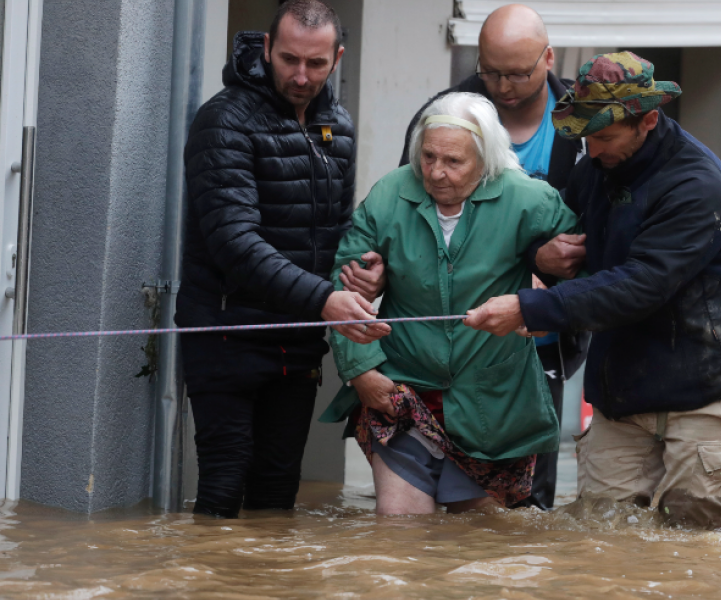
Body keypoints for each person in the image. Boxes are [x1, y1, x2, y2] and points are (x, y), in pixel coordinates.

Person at [465, 52, 721, 530]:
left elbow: (640, 284)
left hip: (705, 391)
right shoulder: (595, 167)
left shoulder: (698, 185)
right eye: (585, 136)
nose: (591, 150)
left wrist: (531, 306)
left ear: (648, 120)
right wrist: (540, 258)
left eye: (605, 136)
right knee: (599, 537)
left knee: (692, 547)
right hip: (622, 389)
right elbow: (549, 234)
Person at [345, 3, 588, 510]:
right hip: (407, 383)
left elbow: (585, 253)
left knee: (491, 544)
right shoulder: (396, 188)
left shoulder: (540, 180)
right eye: (429, 158)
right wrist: (361, 368)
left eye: (453, 162)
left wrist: (546, 290)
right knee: (398, 539)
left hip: (501, 385)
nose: (436, 172)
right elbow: (345, 285)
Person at [176, 0, 386, 519]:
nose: (300, 75)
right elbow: (234, 243)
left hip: (296, 337)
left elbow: (336, 231)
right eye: (289, 59)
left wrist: (362, 269)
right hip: (225, 330)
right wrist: (325, 298)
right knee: (223, 484)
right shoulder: (223, 120)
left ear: (336, 58)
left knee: (277, 490)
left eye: (315, 64)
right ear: (266, 48)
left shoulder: (337, 123)